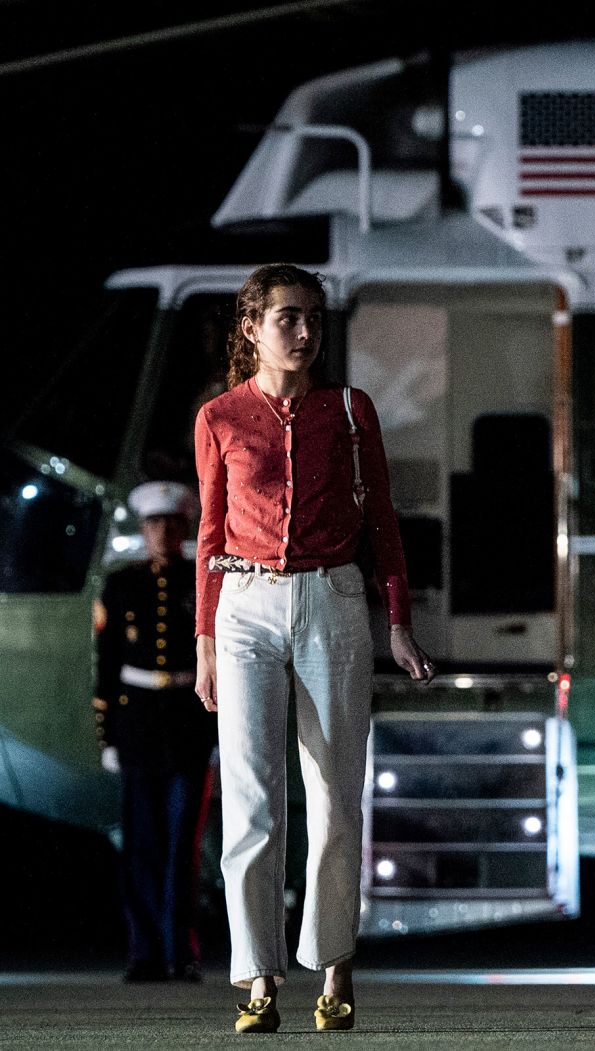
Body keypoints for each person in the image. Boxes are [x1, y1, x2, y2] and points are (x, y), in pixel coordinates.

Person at [193, 263, 434, 1034]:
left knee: (334, 793)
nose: (305, 332)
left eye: (314, 319)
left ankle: (335, 966)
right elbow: (207, 534)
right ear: (251, 327)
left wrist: (397, 618)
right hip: (244, 604)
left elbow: (384, 523)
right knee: (252, 800)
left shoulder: (350, 411)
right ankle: (257, 977)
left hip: (331, 598)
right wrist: (203, 642)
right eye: (289, 318)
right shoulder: (220, 417)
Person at [93, 480, 215, 983]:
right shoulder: (122, 585)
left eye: (172, 524)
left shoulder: (201, 582)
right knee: (141, 844)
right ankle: (144, 952)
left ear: (185, 529)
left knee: (181, 848)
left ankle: (179, 951)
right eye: (154, 524)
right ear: (143, 530)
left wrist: (219, 732)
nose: (162, 532)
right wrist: (109, 737)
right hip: (138, 725)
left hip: (187, 722)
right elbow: (106, 665)